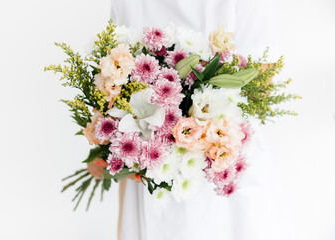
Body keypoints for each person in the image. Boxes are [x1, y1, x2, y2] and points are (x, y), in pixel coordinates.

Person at [88, 0, 294, 239]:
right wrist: (109, 147)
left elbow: (261, 83)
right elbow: (113, 78)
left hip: (220, 167)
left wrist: (190, 125)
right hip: (147, 170)